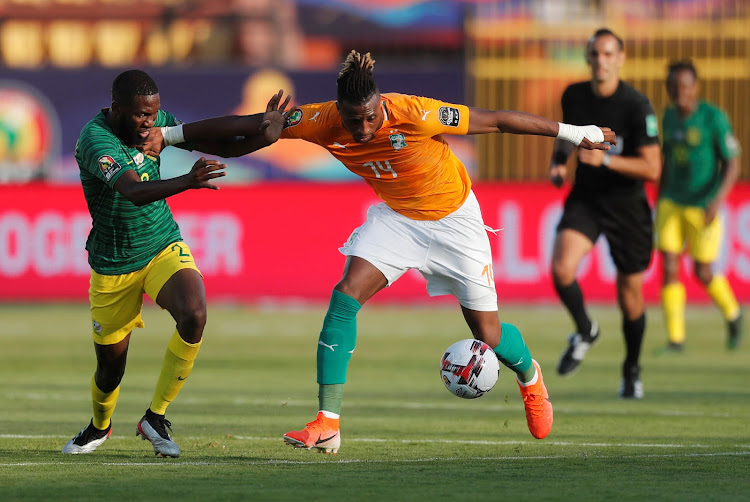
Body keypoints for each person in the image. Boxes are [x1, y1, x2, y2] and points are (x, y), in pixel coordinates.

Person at [190, 49, 612, 454]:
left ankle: (530, 376)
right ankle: (328, 424)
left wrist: (576, 134)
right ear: (341, 111)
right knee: (344, 297)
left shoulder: (415, 112)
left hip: (456, 222)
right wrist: (173, 135)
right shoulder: (321, 120)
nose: (365, 127)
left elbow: (498, 121)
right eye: (356, 120)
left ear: (380, 105)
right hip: (399, 220)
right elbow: (250, 125)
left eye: (372, 116)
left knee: (489, 335)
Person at [62, 69, 291, 457]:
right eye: (140, 116)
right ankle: (100, 425)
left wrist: (262, 132)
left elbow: (220, 141)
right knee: (109, 369)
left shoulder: (153, 125)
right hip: (113, 264)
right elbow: (133, 190)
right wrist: (187, 180)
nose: (149, 123)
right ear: (117, 109)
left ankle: (155, 417)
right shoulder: (96, 138)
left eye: (154, 115)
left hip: (161, 244)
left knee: (195, 314)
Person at [548, 28, 662, 399]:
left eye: (609, 54)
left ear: (621, 58)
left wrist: (607, 159)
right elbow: (567, 136)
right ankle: (585, 330)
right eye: (595, 54)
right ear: (588, 58)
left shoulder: (637, 106)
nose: (601, 60)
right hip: (588, 200)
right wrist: (559, 164)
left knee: (630, 296)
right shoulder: (574, 96)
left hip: (627, 207)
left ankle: (631, 369)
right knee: (562, 269)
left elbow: (652, 169)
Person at [657, 60, 742, 351]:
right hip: (672, 202)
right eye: (673, 86)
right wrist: (659, 199)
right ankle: (675, 339)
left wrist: (717, 200)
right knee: (669, 266)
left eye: (684, 85)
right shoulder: (667, 117)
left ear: (696, 87)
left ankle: (733, 313)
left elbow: (732, 161)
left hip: (703, 205)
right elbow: (666, 161)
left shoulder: (713, 117)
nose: (679, 91)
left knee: (702, 271)